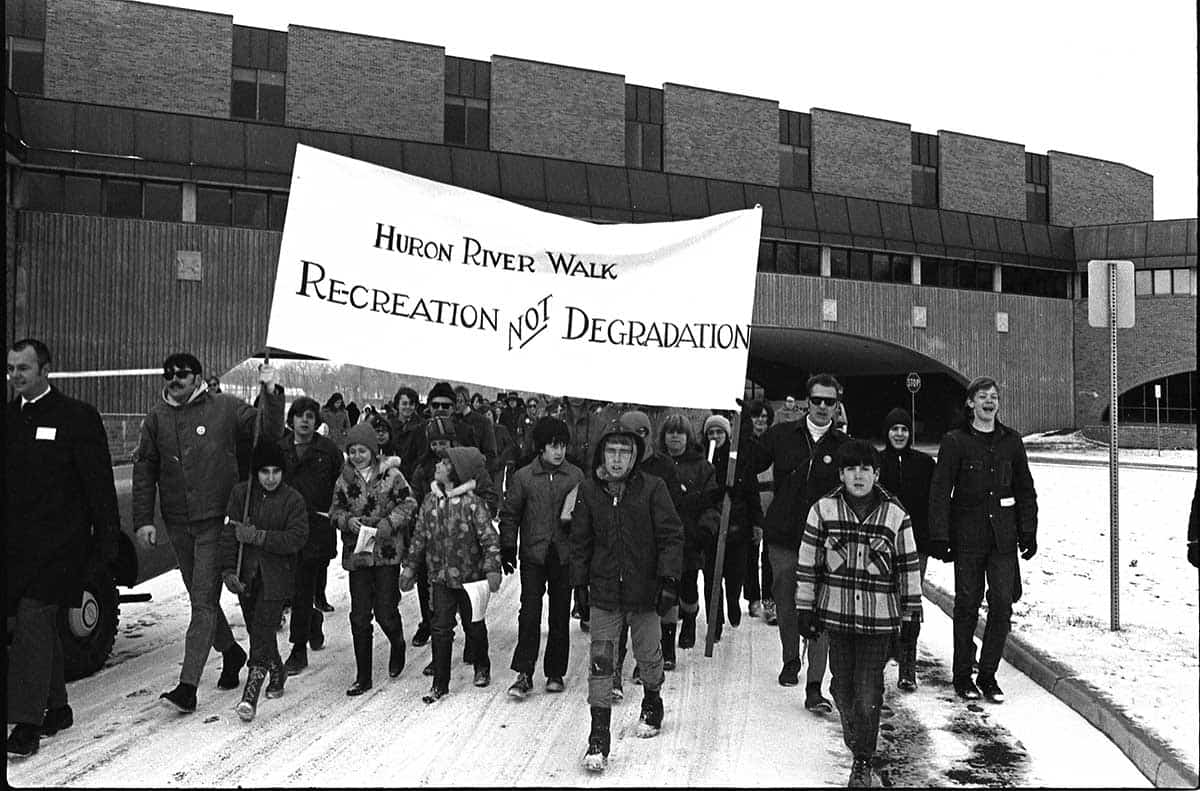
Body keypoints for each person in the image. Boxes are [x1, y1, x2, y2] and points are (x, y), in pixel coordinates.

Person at [132, 352, 282, 713]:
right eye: (168, 375)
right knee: (203, 598)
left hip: (216, 521)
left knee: (201, 601)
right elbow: (144, 469)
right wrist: (143, 519)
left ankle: (187, 687)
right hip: (178, 523)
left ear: (197, 377)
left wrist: (272, 391)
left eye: (181, 374)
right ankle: (231, 652)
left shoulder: (225, 408)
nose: (173, 380)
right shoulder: (156, 419)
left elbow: (269, 431)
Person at [6, 339, 122, 757]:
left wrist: (107, 540)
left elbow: (99, 484)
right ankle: (57, 708)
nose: (15, 375)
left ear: (45, 370)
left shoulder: (76, 418)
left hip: (61, 546)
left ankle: (25, 723)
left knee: (34, 621)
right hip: (16, 548)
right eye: (11, 369)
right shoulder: (9, 419)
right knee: (32, 625)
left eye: (23, 368)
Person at [795, 440, 923, 788]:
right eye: (851, 468)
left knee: (868, 690)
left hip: (877, 621)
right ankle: (859, 741)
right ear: (841, 474)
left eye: (865, 468)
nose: (858, 475)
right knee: (841, 686)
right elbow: (808, 564)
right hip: (836, 617)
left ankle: (862, 760)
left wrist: (912, 614)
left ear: (876, 473)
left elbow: (909, 568)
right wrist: (804, 608)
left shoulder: (896, 515)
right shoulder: (822, 510)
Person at [570, 420, 684, 772]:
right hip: (605, 591)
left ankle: (652, 700)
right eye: (611, 451)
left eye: (625, 452)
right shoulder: (589, 491)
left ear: (636, 455)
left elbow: (671, 535)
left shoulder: (653, 488)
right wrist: (580, 586)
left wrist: (668, 580)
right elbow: (580, 541)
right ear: (601, 453)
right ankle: (598, 733)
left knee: (649, 655)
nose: (618, 459)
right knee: (601, 663)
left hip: (644, 590)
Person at [928, 376, 1038, 704]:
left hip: (1002, 539)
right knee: (966, 605)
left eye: (994, 397)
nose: (989, 402)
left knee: (1002, 604)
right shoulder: (955, 441)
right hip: (968, 539)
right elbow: (939, 491)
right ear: (970, 403)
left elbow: (1024, 489)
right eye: (982, 396)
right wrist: (939, 535)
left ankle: (988, 675)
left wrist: (1028, 530)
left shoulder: (1011, 442)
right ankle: (963, 675)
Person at [753, 373, 849, 712]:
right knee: (786, 595)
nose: (823, 407)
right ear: (807, 401)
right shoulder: (782, 435)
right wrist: (741, 428)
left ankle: (814, 686)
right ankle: (791, 658)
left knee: (821, 607)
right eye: (817, 400)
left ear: (837, 406)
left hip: (826, 541)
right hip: (784, 535)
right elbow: (750, 463)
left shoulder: (843, 447)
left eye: (830, 401)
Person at [400, 446, 503, 703]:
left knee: (474, 625)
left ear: (456, 472)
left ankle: (482, 664)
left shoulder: (472, 504)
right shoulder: (430, 501)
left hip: (471, 580)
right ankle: (440, 682)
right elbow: (419, 536)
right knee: (440, 627)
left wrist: (492, 568)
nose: (438, 465)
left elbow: (489, 538)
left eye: (445, 462)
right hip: (440, 578)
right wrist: (411, 566)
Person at [220, 441, 309, 722]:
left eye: (276, 472)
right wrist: (228, 571)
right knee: (259, 629)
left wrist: (259, 537)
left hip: (276, 577)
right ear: (255, 473)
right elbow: (229, 533)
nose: (270, 478)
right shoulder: (241, 495)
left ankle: (251, 691)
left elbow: (296, 538)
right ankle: (277, 670)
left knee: (261, 630)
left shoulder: (292, 500)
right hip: (247, 576)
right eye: (264, 472)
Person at [329, 423, 418, 696]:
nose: (357, 456)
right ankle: (363, 675)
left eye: (362, 450)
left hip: (387, 552)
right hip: (359, 555)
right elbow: (334, 511)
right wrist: (346, 520)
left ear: (373, 450)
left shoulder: (391, 475)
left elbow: (409, 503)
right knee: (359, 615)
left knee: (385, 610)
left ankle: (397, 640)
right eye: (353, 451)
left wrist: (390, 523)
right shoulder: (344, 479)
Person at [500, 417, 585, 698]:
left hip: (563, 555)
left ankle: (555, 671)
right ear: (540, 447)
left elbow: (584, 515)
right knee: (530, 612)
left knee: (560, 613)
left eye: (562, 446)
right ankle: (524, 672)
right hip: (534, 555)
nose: (558, 452)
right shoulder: (525, 477)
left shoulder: (575, 476)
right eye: (552, 446)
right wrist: (508, 546)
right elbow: (510, 514)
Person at [610, 409, 684, 693]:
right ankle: (613, 673)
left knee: (644, 620)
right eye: (630, 434)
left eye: (642, 433)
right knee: (615, 622)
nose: (636, 440)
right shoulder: (612, 466)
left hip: (648, 556)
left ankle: (647, 670)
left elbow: (673, 514)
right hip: (616, 556)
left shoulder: (661, 469)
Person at [277, 397, 342, 676]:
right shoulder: (279, 448)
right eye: (299, 416)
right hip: (287, 527)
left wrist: (339, 514)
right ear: (290, 419)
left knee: (303, 588)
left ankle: (298, 649)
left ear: (317, 422)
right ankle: (312, 621)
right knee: (294, 589)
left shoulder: (327, 450)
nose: (305, 421)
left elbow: (342, 484)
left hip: (317, 526)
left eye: (310, 417)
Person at [877, 407, 936, 691]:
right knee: (884, 600)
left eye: (903, 429)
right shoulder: (876, 462)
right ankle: (885, 652)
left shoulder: (925, 464)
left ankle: (908, 665)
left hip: (916, 544)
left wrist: (936, 537)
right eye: (893, 429)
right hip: (883, 543)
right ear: (886, 433)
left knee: (910, 602)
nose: (899, 434)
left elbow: (934, 502)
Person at [659, 414, 720, 654]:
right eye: (670, 432)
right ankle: (667, 644)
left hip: (691, 538)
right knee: (667, 591)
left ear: (688, 437)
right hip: (662, 539)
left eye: (680, 433)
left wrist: (705, 529)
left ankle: (691, 619)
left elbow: (712, 502)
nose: (675, 437)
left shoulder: (702, 466)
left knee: (687, 588)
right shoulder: (656, 465)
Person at [703, 413, 762, 630]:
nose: (715, 436)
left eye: (719, 432)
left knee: (735, 573)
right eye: (711, 432)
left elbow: (752, 491)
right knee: (711, 576)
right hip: (711, 527)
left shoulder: (739, 459)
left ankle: (733, 601)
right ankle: (714, 621)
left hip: (738, 524)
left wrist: (757, 523)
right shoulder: (704, 460)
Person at [744, 399, 775, 623]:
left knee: (770, 555)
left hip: (772, 498)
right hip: (752, 500)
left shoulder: (774, 441)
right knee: (751, 553)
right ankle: (753, 597)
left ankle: (769, 599)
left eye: (765, 417)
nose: (761, 421)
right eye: (757, 416)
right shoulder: (745, 443)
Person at [388, 386, 426, 480]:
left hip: (413, 475)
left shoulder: (422, 426)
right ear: (397, 405)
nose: (408, 407)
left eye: (411, 404)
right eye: (404, 404)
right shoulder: (389, 425)